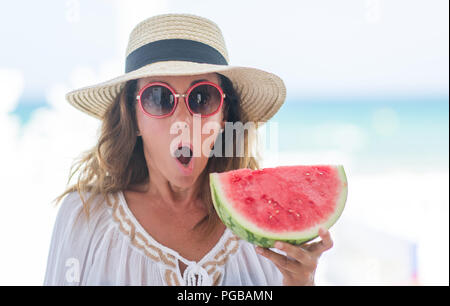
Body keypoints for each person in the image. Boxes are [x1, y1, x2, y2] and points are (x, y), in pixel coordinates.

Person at [43, 13, 333, 286]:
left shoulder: (266, 225)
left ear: (224, 117)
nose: (183, 120)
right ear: (133, 118)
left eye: (202, 97)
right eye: (158, 97)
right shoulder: (83, 218)